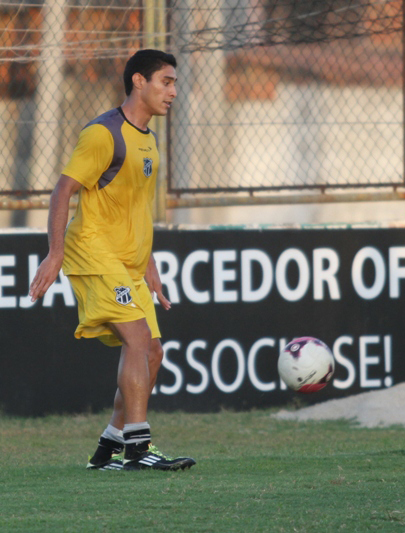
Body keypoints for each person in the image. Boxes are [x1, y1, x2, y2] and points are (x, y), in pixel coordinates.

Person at [28, 49, 195, 471]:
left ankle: (107, 449)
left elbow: (134, 210)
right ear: (139, 81)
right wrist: (55, 253)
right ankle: (138, 450)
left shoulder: (150, 140)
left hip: (129, 263)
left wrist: (149, 265)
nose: (173, 91)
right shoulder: (104, 134)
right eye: (166, 81)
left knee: (152, 352)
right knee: (137, 342)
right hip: (94, 254)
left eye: (174, 83)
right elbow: (63, 191)